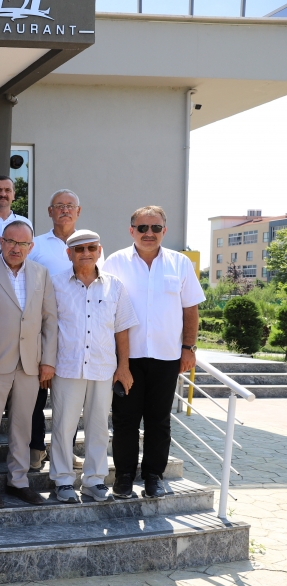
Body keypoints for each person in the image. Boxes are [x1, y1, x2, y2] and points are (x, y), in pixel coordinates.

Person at [104, 205, 204, 499]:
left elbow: (190, 309)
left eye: (156, 227)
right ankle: (124, 476)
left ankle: (153, 476)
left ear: (164, 230)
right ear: (131, 230)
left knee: (159, 420)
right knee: (125, 419)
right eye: (142, 227)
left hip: (166, 356)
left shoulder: (180, 263)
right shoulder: (115, 262)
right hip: (127, 358)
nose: (149, 233)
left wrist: (189, 348)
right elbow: (104, 308)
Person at [48, 230, 138, 503]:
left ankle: (94, 480)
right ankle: (63, 481)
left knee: (99, 427)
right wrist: (46, 364)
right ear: (69, 254)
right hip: (67, 366)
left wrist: (124, 367)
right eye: (79, 249)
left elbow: (122, 329)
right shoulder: (54, 284)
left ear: (99, 251)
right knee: (63, 427)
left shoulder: (115, 286)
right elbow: (47, 327)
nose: (85, 253)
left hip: (102, 367)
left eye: (91, 248)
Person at [0, 222, 57, 508]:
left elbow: (50, 319)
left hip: (30, 362)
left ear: (31, 247)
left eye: (22, 244)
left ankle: (18, 481)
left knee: (22, 425)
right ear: (1, 241)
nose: (16, 248)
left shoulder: (40, 273)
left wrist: (48, 360)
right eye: (10, 241)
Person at [26, 189, 86, 471]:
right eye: (59, 206)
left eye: (70, 206)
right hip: (40, 332)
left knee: (69, 400)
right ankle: (36, 448)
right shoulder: (36, 245)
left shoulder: (87, 245)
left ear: (78, 211)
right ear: (49, 211)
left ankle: (64, 451)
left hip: (75, 335)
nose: (65, 210)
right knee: (36, 396)